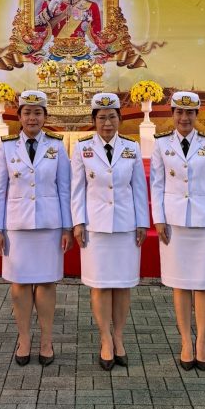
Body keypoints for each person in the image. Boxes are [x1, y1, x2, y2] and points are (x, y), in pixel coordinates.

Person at [0, 90, 72, 366]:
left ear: (45, 116)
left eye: (38, 112)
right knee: (20, 284)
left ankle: (46, 340)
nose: (32, 118)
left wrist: (67, 227)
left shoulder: (57, 146)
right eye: (27, 112)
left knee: (47, 283)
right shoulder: (6, 147)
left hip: (49, 225)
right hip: (17, 226)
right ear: (19, 116)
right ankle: (24, 338)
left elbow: (64, 189)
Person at [150, 91, 205, 371]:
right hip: (174, 222)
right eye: (179, 113)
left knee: (203, 285)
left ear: (197, 115)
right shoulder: (161, 143)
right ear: (172, 114)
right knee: (180, 284)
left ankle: (202, 342)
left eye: (190, 113)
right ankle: (185, 341)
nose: (184, 118)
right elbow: (157, 184)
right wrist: (159, 219)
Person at [71, 92, 149, 370]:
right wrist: (78, 222)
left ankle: (118, 336)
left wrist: (142, 222)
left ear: (119, 119)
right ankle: (105, 338)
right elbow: (77, 190)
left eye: (112, 117)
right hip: (96, 227)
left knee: (123, 285)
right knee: (101, 285)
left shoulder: (131, 147)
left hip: (126, 226)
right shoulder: (82, 148)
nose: (107, 123)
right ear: (94, 120)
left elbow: (139, 188)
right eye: (102, 118)